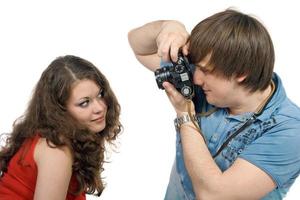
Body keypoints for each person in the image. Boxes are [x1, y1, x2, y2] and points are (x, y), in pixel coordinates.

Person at [128, 9, 300, 199]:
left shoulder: (290, 132)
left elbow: (213, 196)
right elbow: (139, 46)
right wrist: (168, 28)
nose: (195, 78)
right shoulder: (210, 86)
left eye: (205, 70)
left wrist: (185, 115)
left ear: (241, 72)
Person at [0, 55, 122, 199]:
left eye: (100, 94)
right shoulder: (57, 151)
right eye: (84, 103)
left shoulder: (55, 134)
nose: (100, 107)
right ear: (59, 110)